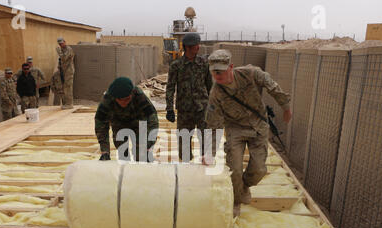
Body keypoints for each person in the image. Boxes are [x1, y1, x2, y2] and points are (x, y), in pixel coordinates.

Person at [204, 49, 292, 215]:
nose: (217, 76)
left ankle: (244, 186)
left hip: (258, 126)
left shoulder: (250, 74)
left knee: (259, 169)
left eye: (220, 72)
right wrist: (210, 153)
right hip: (235, 129)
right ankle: (235, 201)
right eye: (214, 72)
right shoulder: (216, 93)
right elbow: (213, 124)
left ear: (231, 67)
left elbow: (272, 86)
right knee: (234, 169)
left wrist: (285, 107)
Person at [165, 33, 212, 162]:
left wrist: (213, 106)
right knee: (184, 143)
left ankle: (205, 167)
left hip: (202, 108)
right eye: (195, 45)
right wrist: (169, 108)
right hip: (184, 110)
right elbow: (170, 87)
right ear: (187, 47)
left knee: (205, 141)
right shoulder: (176, 65)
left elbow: (210, 86)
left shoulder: (203, 63)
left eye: (198, 44)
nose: (198, 47)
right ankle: (186, 170)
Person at [95, 77, 159, 162]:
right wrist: (105, 151)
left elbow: (152, 120)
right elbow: (101, 125)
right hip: (118, 124)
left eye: (128, 99)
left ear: (131, 94)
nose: (125, 103)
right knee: (123, 155)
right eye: (122, 100)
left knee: (141, 156)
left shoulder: (138, 95)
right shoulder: (107, 99)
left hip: (139, 123)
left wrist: (148, 145)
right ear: (115, 98)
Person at [56, 38, 75, 110]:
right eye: (60, 44)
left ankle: (69, 104)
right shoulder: (62, 50)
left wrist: (59, 52)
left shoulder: (68, 49)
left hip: (69, 70)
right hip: (64, 70)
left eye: (62, 43)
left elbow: (64, 58)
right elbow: (61, 61)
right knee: (65, 87)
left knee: (68, 87)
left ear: (65, 42)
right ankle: (66, 103)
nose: (61, 45)